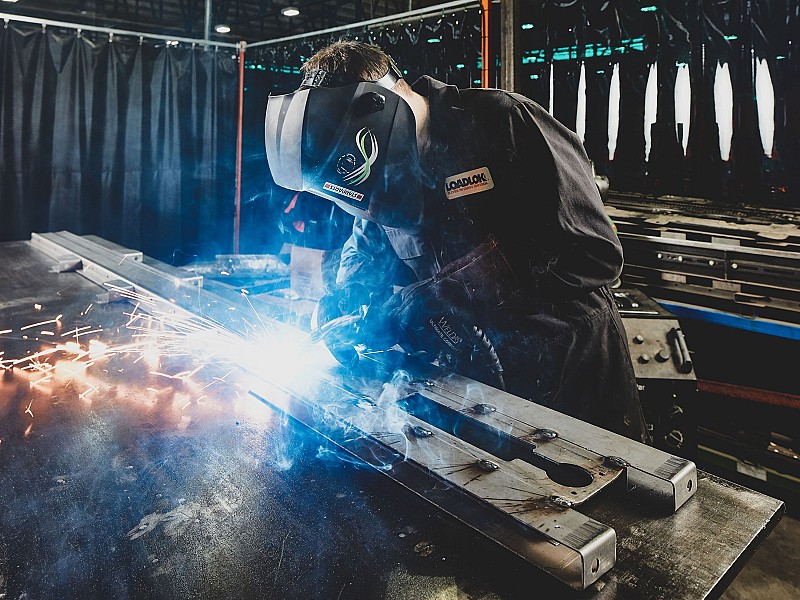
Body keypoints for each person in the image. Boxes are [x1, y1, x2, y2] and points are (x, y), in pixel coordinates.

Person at [264, 40, 648, 443]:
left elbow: (594, 253)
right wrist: (344, 303)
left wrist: (442, 295)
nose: (370, 205)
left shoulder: (504, 123)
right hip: (480, 389)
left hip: (573, 378)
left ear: (383, 107)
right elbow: (369, 244)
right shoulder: (374, 178)